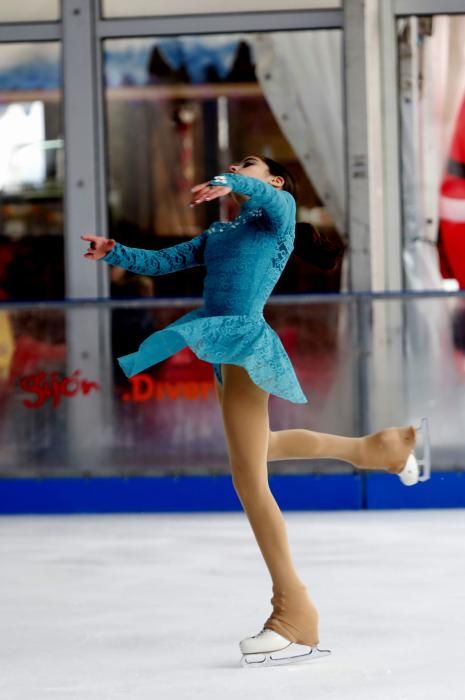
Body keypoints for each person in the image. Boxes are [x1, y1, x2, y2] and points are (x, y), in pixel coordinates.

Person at [81, 155, 428, 668]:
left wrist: (227, 181)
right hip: (220, 339)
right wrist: (115, 252)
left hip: (243, 338)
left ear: (274, 179)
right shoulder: (223, 233)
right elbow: (166, 261)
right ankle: (379, 449)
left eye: (248, 166)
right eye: (234, 167)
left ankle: (293, 613)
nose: (237, 170)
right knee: (258, 450)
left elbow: (264, 196)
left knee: (249, 477)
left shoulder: (277, 212)